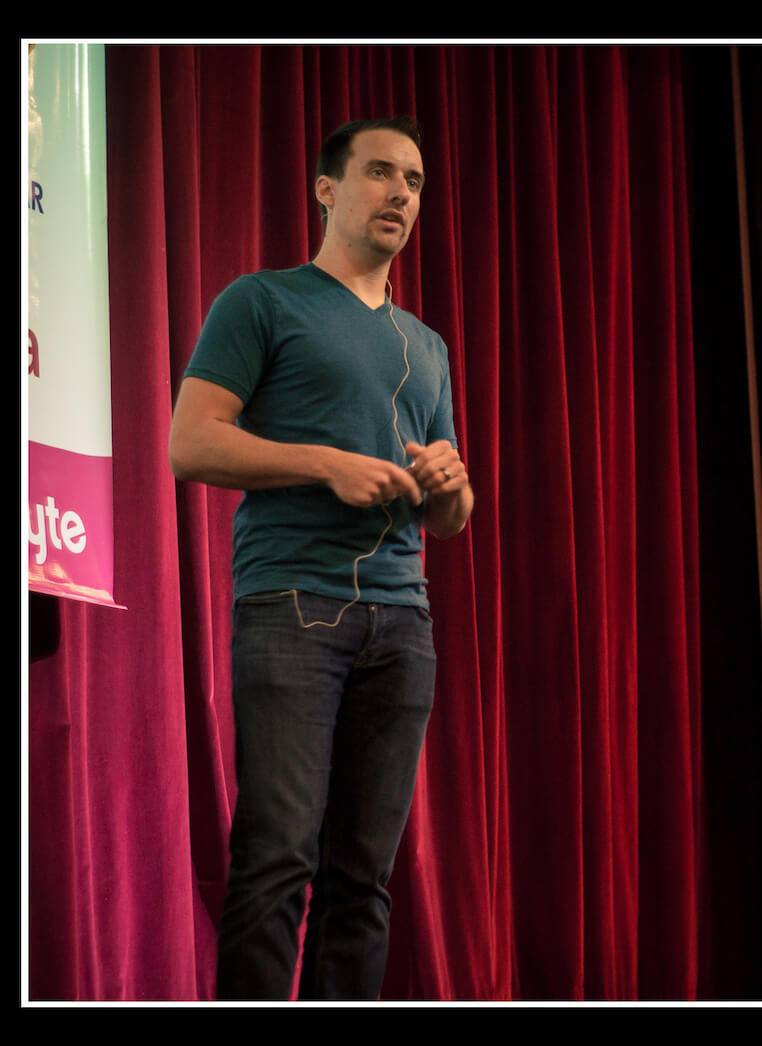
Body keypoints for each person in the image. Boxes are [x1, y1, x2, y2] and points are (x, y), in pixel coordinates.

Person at [168, 116, 473, 1000]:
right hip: (293, 608)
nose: (401, 195)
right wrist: (325, 465)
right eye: (380, 174)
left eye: (414, 182)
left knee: (362, 882)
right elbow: (191, 445)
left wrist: (449, 482)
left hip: (402, 622)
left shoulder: (428, 345)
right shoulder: (262, 302)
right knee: (277, 858)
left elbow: (453, 519)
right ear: (326, 189)